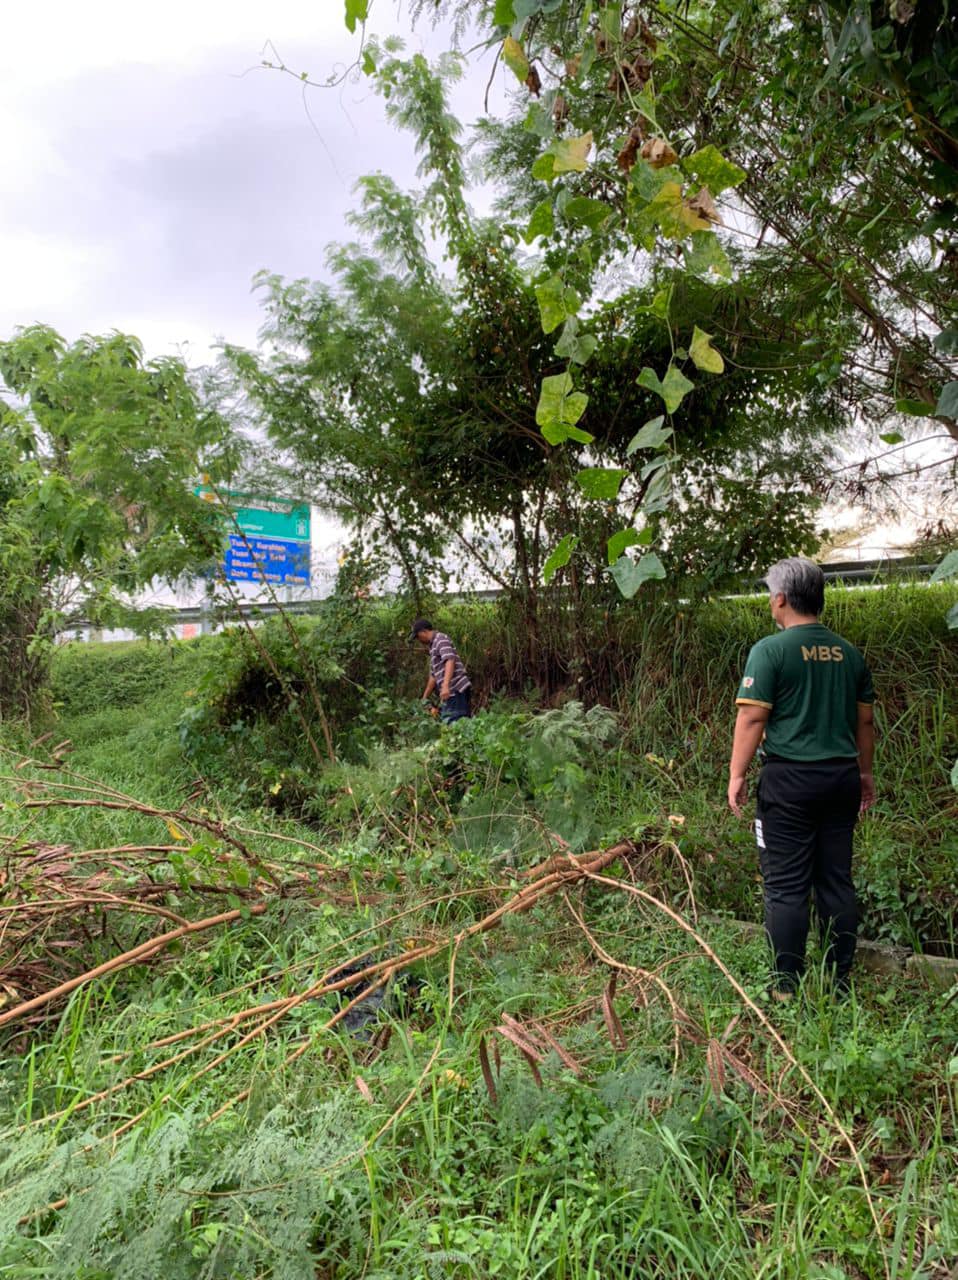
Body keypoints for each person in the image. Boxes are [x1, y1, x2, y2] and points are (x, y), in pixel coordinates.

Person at [728, 557, 876, 997]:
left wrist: (737, 774)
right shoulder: (848, 653)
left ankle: (785, 988)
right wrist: (864, 774)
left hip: (789, 783)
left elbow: (753, 719)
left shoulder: (770, 651)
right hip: (842, 778)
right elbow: (864, 724)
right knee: (835, 881)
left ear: (781, 599)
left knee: (786, 886)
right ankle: (838, 982)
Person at [411, 619, 473, 723]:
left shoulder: (440, 639)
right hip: (449, 692)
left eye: (417, 636)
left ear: (423, 632)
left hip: (455, 689)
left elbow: (450, 660)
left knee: (456, 724)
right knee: (450, 723)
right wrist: (424, 698)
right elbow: (433, 676)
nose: (418, 640)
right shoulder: (433, 646)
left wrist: (445, 686)